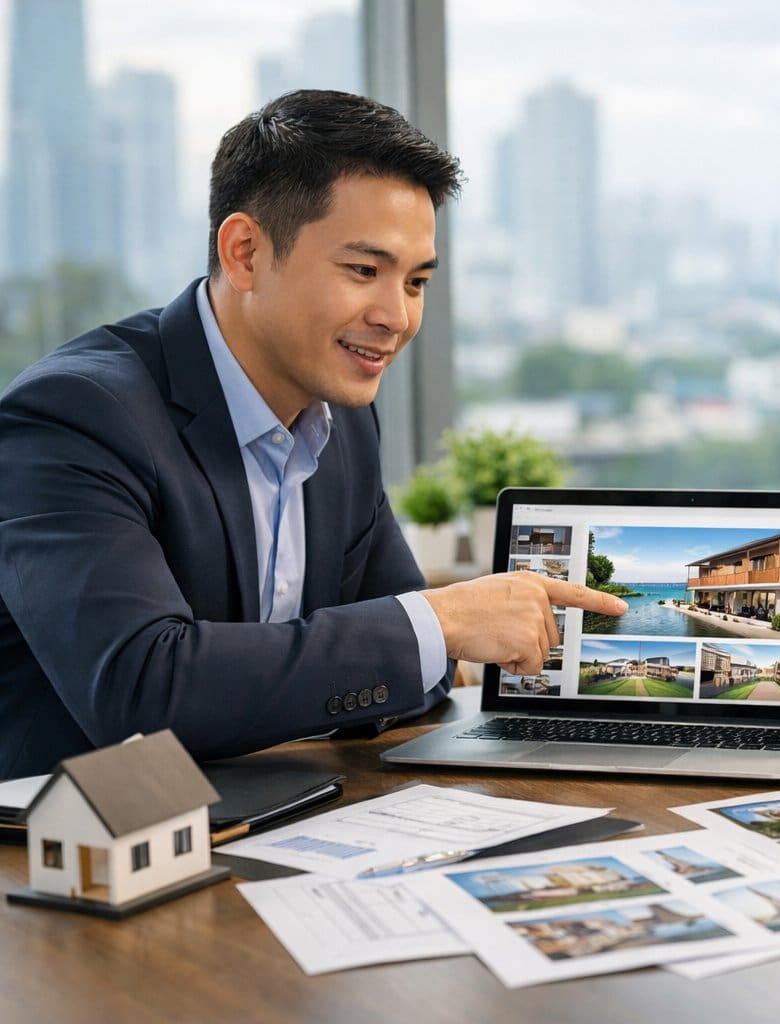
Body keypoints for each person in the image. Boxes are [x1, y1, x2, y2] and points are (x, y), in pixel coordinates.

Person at [0, 90, 626, 778]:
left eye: (416, 282)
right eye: (364, 271)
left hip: (274, 816)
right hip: (69, 853)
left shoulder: (343, 413)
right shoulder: (72, 415)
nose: (396, 317)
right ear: (244, 253)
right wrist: (439, 624)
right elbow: (143, 691)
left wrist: (436, 635)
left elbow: (409, 670)